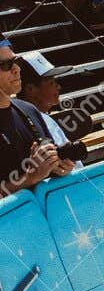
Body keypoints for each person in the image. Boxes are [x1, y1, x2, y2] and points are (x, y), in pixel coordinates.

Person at [0, 40, 76, 197]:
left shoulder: (28, 110)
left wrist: (58, 167)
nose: (16, 69)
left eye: (16, 61)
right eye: (6, 65)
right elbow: (33, 177)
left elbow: (43, 173)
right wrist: (29, 178)